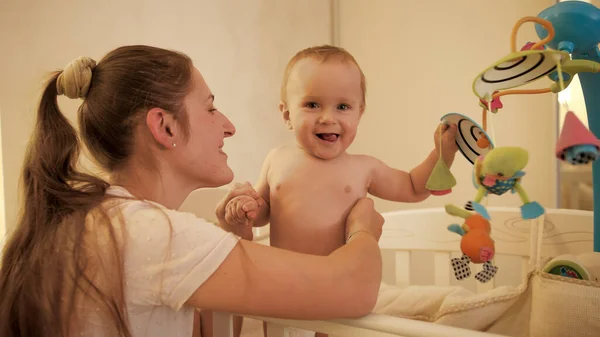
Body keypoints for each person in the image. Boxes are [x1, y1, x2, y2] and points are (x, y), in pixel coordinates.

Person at [0, 45, 385, 337]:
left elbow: (205, 331)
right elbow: (355, 289)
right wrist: (363, 226)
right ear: (164, 127)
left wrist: (235, 239)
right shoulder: (151, 234)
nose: (229, 126)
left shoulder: (95, 219)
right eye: (211, 108)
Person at [220, 45, 458, 337]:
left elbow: (412, 187)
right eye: (312, 104)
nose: (327, 117)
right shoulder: (277, 159)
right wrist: (248, 210)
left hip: (336, 288)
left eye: (342, 106)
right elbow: (264, 213)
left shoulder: (364, 168)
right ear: (286, 114)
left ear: (360, 113)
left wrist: (443, 153)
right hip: (282, 284)